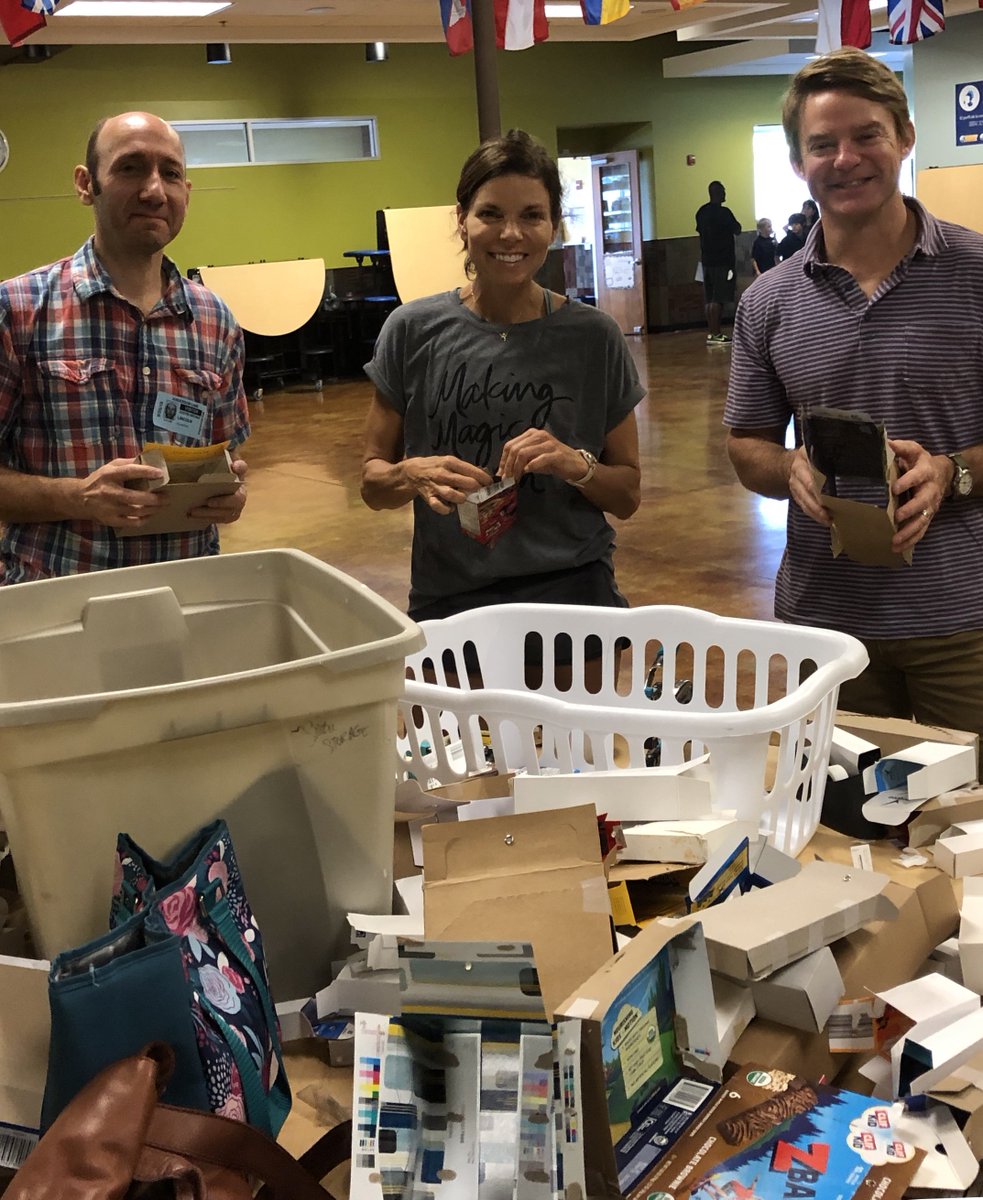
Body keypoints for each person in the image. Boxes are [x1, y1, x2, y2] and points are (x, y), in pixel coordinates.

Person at [724, 47, 983, 743]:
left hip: (963, 622)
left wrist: (953, 470)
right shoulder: (768, 303)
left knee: (970, 832)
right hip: (826, 628)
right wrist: (787, 470)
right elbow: (746, 444)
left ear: (903, 136)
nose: (845, 159)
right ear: (796, 162)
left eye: (865, 135)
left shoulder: (975, 273)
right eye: (821, 144)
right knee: (845, 826)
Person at [360, 128, 644, 660]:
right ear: (462, 221)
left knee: (568, 744)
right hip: (452, 596)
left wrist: (573, 464)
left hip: (572, 594)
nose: (510, 234)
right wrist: (410, 472)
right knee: (461, 744)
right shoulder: (411, 330)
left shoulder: (592, 337)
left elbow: (626, 495)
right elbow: (374, 483)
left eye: (532, 215)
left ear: (554, 226)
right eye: (490, 213)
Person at [0, 111, 249, 585]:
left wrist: (229, 494)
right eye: (130, 167)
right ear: (85, 183)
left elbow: (227, 454)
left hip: (188, 594)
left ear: (186, 193)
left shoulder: (216, 322)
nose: (154, 190)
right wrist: (78, 497)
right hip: (57, 601)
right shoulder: (16, 311)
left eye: (170, 173)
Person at [695, 181, 741, 344]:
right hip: (722, 261)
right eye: (723, 190)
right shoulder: (724, 213)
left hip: (706, 260)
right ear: (717, 193)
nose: (725, 194)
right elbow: (737, 229)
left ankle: (711, 333)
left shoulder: (701, 212)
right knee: (718, 298)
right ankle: (716, 334)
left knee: (709, 298)